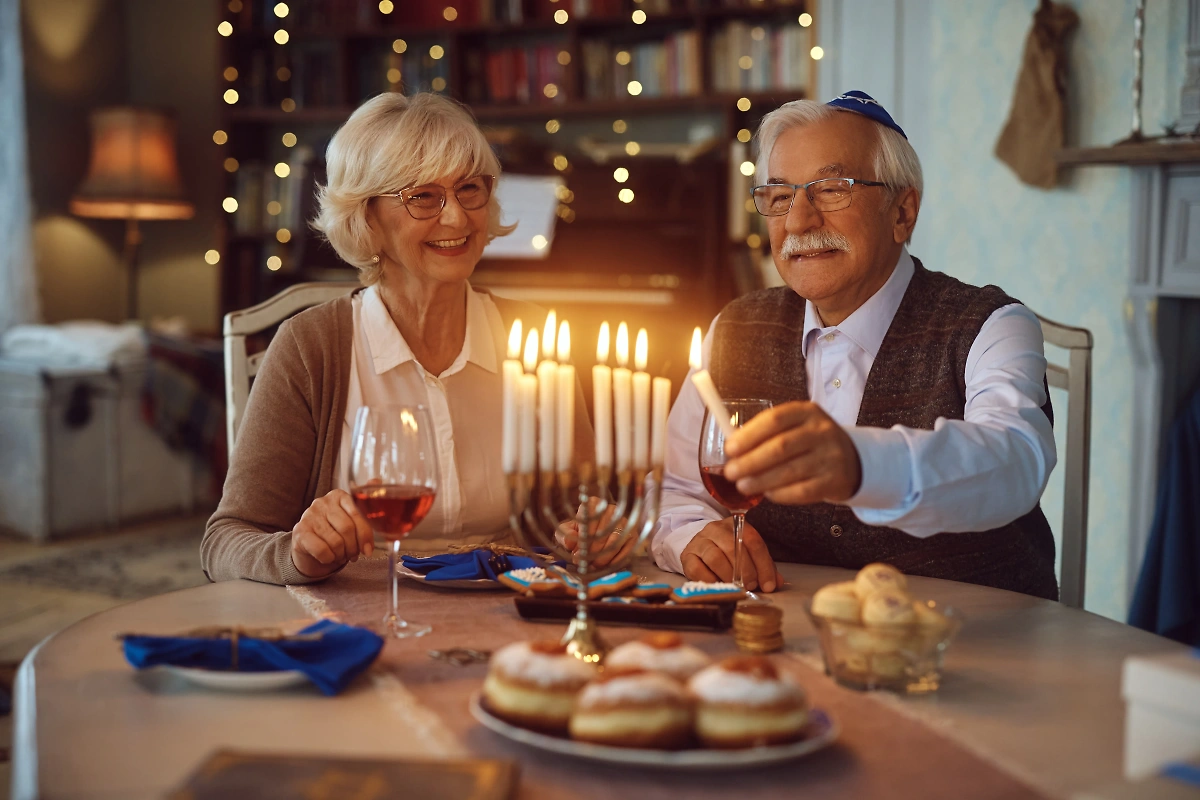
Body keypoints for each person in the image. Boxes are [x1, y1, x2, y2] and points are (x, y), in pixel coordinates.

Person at [651, 90, 1060, 600]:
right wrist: (692, 536)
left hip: (971, 648)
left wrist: (858, 464)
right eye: (779, 196)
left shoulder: (991, 324)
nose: (798, 221)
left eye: (831, 189)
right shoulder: (734, 328)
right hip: (779, 640)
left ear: (902, 213)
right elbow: (679, 493)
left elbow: (1014, 462)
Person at [202, 92, 590, 585]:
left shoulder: (536, 337)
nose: (455, 217)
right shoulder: (311, 347)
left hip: (511, 618)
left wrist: (591, 533)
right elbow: (227, 539)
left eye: (469, 188)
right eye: (422, 196)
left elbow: (587, 511)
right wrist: (298, 552)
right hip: (359, 622)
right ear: (366, 216)